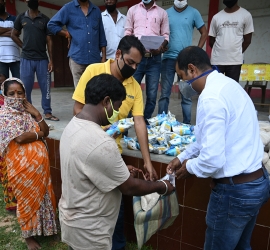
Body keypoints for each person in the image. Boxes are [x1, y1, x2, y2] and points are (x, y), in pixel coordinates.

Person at [167, 46, 269, 250]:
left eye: (181, 77)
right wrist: (183, 156)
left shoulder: (210, 97)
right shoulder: (230, 85)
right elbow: (205, 139)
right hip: (257, 183)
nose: (182, 85)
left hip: (235, 193)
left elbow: (212, 159)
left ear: (192, 69)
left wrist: (189, 167)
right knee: (242, 246)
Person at [60, 73, 175, 250]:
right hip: (91, 232)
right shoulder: (101, 141)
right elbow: (129, 187)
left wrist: (119, 169)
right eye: (118, 106)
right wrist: (163, 186)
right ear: (106, 102)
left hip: (73, 221)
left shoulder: (74, 124)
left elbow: (87, 166)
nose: (118, 113)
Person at [73, 35, 157, 250]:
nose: (134, 68)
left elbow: (139, 121)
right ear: (118, 54)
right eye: (130, 62)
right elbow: (78, 109)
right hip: (89, 148)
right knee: (92, 202)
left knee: (116, 204)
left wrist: (147, 161)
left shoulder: (134, 87)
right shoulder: (94, 71)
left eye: (138, 65)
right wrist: (100, 132)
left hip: (113, 152)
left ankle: (116, 245)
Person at [0, 77, 57, 250]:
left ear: (25, 94)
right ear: (4, 94)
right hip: (21, 169)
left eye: (20, 93)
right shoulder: (3, 116)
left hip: (40, 169)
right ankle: (28, 236)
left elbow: (46, 131)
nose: (16, 97)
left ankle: (46, 229)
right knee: (26, 202)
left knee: (44, 198)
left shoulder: (29, 113)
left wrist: (37, 114)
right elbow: (20, 138)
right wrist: (38, 134)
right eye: (12, 94)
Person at [158, 0, 207, 124]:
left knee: (186, 95)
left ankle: (186, 124)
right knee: (164, 94)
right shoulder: (165, 13)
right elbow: (159, 33)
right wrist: (160, 45)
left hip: (185, 60)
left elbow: (204, 32)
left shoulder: (194, 13)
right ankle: (160, 123)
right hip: (168, 58)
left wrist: (196, 50)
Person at [11, 0, 59, 121]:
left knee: (46, 88)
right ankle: (29, 112)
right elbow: (14, 34)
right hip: (26, 59)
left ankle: (47, 112)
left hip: (42, 59)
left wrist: (51, 60)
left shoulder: (45, 19)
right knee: (26, 88)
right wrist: (23, 46)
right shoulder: (21, 17)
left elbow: (49, 40)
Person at [125, 0, 169, 121]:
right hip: (136, 59)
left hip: (154, 59)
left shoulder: (162, 13)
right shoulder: (132, 10)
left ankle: (145, 122)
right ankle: (127, 122)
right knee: (130, 91)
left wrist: (161, 46)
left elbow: (166, 35)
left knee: (152, 94)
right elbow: (128, 32)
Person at [47, 0, 107, 87]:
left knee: (95, 91)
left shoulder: (96, 10)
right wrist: (66, 33)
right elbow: (51, 24)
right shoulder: (68, 8)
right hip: (77, 58)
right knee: (80, 93)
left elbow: (102, 35)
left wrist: (103, 58)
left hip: (95, 59)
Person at [208, 0, 254, 82]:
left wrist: (236, 52)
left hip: (235, 62)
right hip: (217, 61)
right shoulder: (216, 17)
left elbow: (247, 41)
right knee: (216, 87)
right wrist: (220, 51)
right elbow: (211, 41)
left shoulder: (246, 15)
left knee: (232, 89)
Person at [0, 73, 17, 212]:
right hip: (4, 145)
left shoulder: (15, 102)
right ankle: (11, 204)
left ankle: (19, 202)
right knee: (6, 174)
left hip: (16, 148)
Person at [0, 0, 20, 78]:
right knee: (2, 84)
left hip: (15, 56)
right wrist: (11, 30)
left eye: (0, 2)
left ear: (4, 3)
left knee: (19, 81)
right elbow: (14, 32)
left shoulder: (14, 18)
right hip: (0, 58)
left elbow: (17, 32)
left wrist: (2, 32)